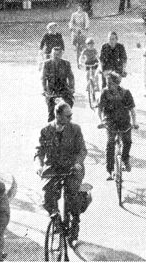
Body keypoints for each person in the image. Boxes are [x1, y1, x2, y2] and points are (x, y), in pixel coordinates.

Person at [35, 102, 86, 245]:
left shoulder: (75, 129)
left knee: (73, 196)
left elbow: (82, 150)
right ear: (57, 115)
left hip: (72, 167)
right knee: (47, 196)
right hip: (53, 168)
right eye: (67, 116)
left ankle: (74, 229)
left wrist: (77, 162)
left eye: (71, 115)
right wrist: (39, 166)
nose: (70, 118)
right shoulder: (46, 130)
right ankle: (56, 222)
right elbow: (39, 152)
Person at [98, 72, 138, 178]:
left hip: (124, 122)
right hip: (110, 122)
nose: (108, 86)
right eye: (107, 83)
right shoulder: (104, 93)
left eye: (110, 83)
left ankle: (125, 159)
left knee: (127, 141)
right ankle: (110, 170)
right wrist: (101, 120)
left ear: (117, 83)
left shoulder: (126, 93)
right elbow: (100, 109)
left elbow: (132, 110)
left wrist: (135, 123)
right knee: (110, 144)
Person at [42, 47, 75, 122]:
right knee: (51, 113)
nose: (56, 56)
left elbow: (71, 77)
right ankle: (50, 130)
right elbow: (43, 78)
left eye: (58, 54)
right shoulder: (47, 64)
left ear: (61, 55)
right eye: (54, 54)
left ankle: (67, 127)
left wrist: (72, 88)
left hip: (64, 89)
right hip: (52, 91)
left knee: (68, 107)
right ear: (51, 54)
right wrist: (44, 90)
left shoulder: (66, 63)